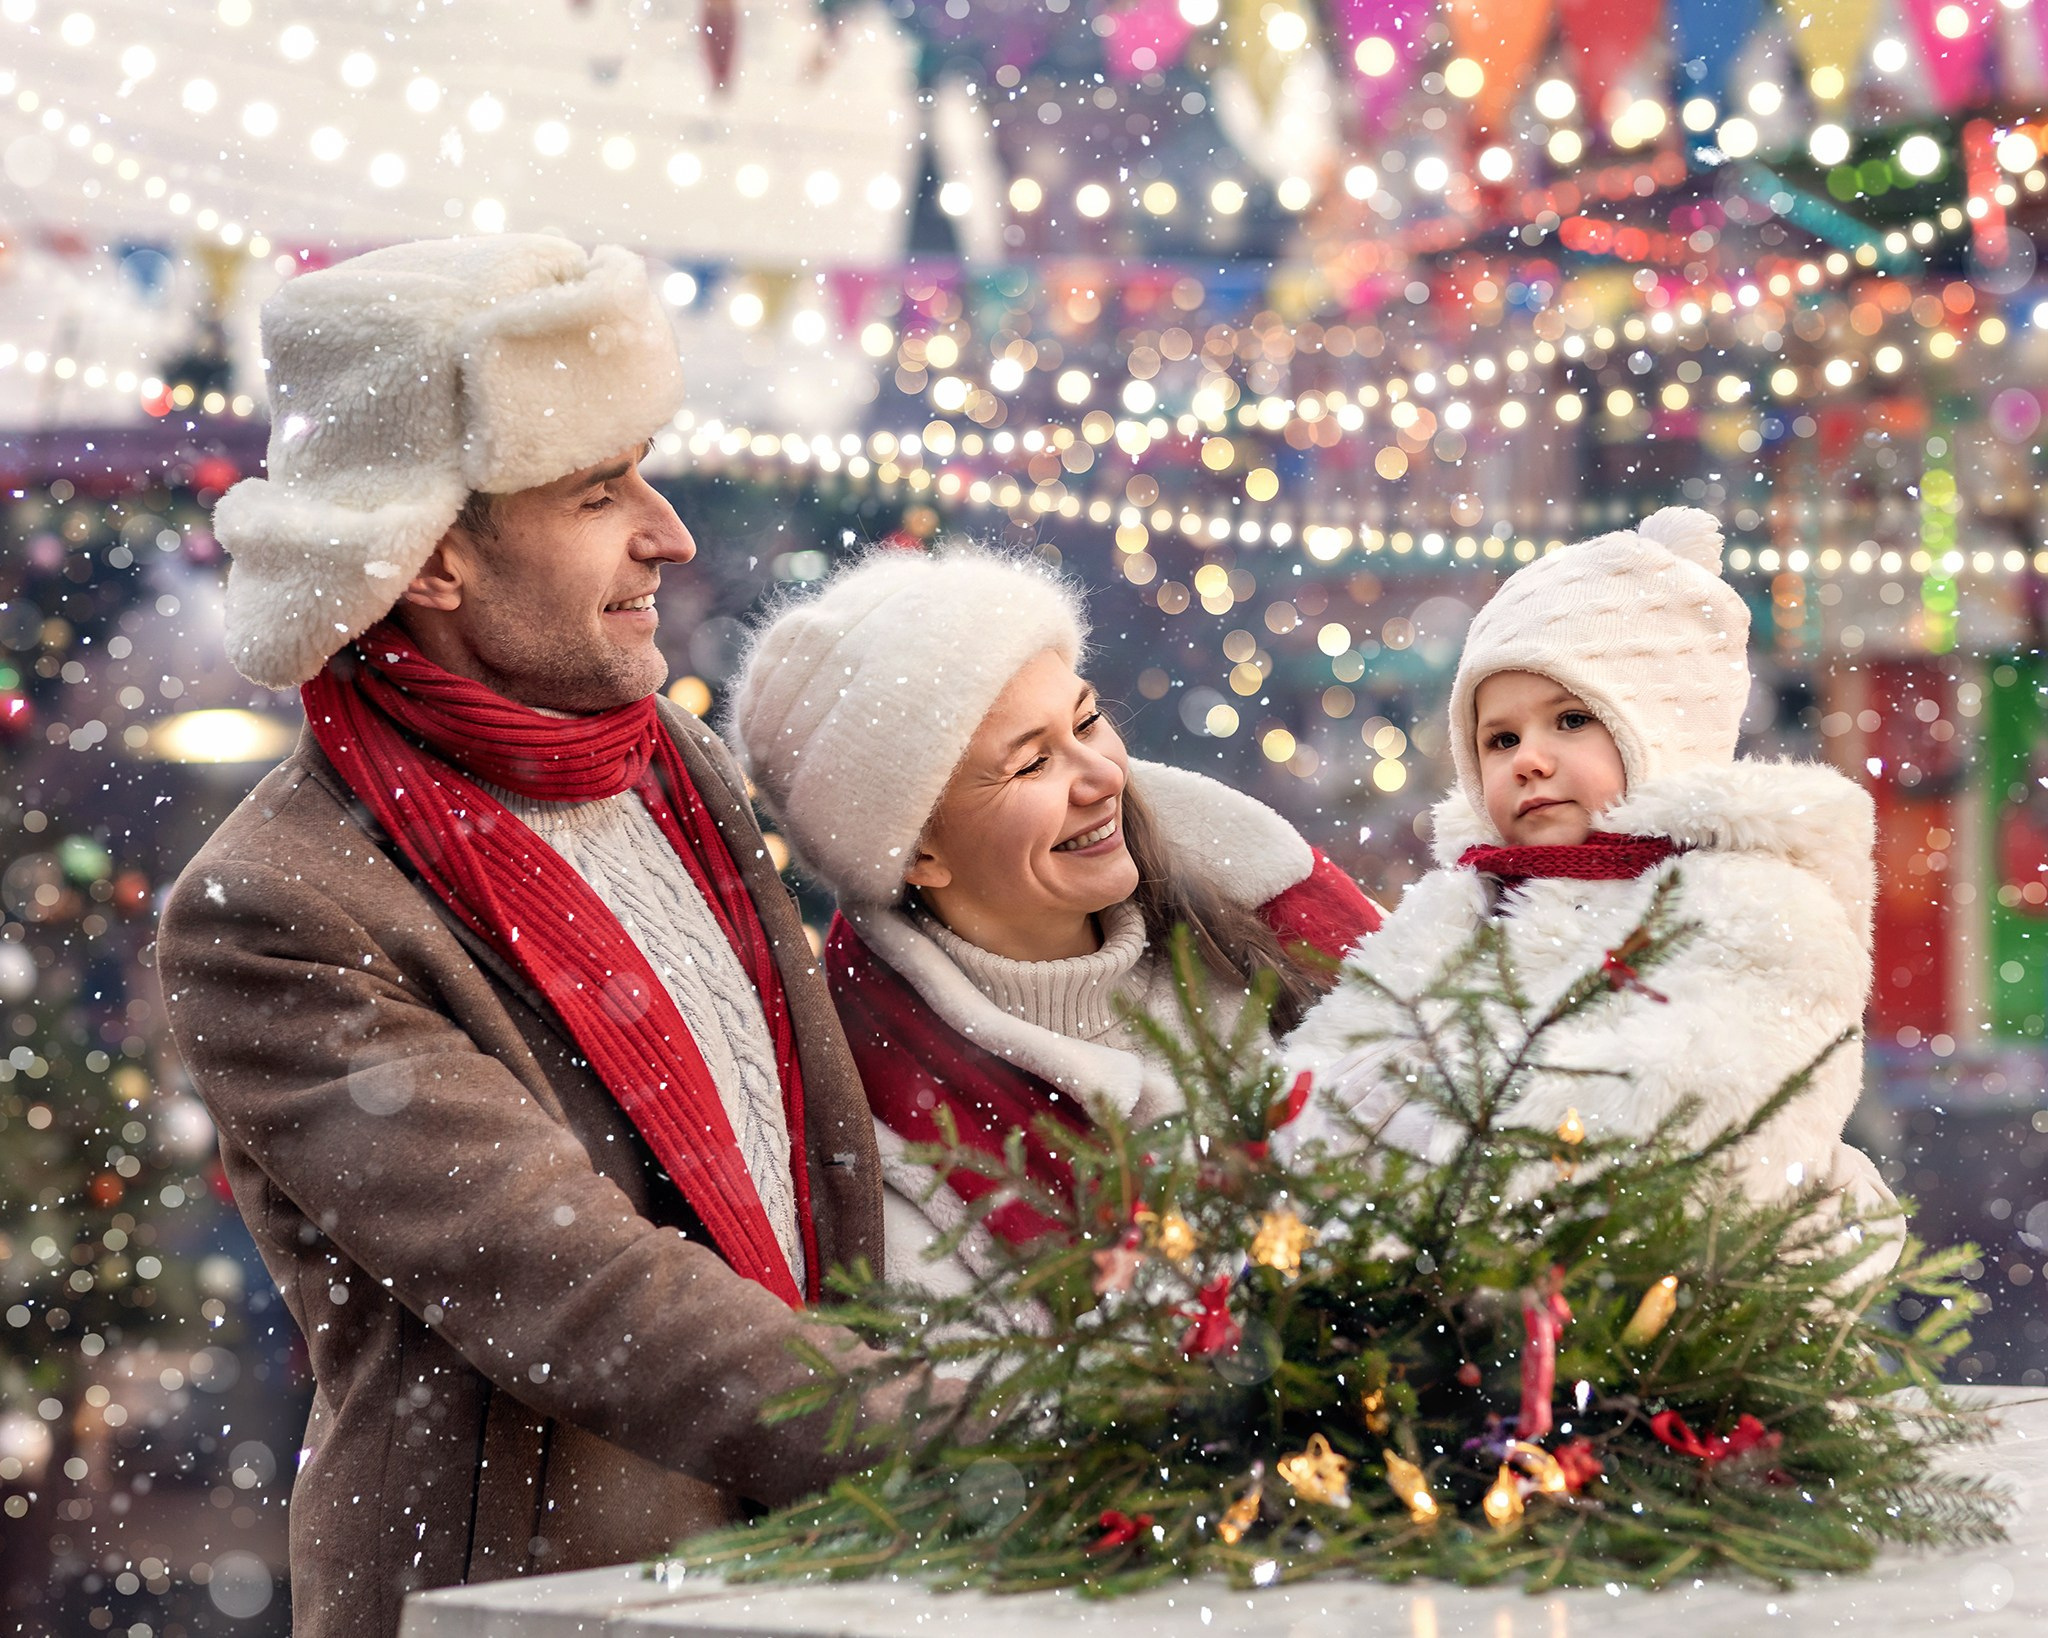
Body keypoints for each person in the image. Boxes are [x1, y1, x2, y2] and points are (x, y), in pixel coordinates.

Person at [157, 236, 937, 1638]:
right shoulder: (277, 905)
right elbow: (574, 1285)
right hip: (536, 1599)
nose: (667, 529)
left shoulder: (671, 767)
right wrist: (954, 1427)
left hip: (815, 1559)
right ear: (435, 555)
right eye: (599, 489)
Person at [727, 545, 1382, 1295]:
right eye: (1032, 764)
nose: (1105, 775)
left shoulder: (1264, 916)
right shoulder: (909, 1157)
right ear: (920, 856)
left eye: (1088, 720)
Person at [1282, 507, 1897, 1231]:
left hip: (1657, 1298)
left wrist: (1432, 1129)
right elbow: (1318, 1086)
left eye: (1570, 719)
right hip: (1436, 1298)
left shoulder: (1755, 902)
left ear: (1663, 730)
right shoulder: (1465, 906)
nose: (1528, 759)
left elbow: (1682, 1113)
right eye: (1500, 738)